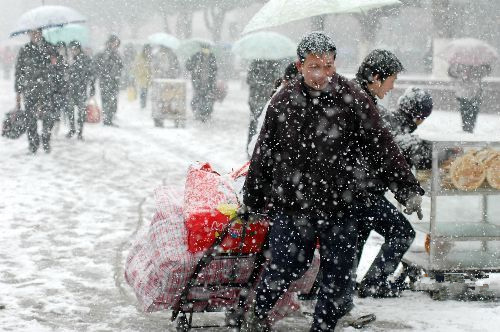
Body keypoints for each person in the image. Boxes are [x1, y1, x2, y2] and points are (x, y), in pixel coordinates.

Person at [240, 32, 424, 332]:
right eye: (314, 66)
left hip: (340, 204)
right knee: (286, 265)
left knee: (338, 275)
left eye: (328, 66)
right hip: (293, 204)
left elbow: (382, 146)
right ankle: (257, 315)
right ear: (299, 65)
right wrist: (253, 199)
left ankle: (322, 327)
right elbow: (264, 154)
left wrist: (406, 189)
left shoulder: (352, 99)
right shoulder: (283, 102)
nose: (322, 74)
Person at [352, 52, 433, 298]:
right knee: (402, 233)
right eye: (392, 80)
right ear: (376, 77)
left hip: (355, 190)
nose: (392, 87)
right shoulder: (363, 105)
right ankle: (371, 283)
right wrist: (408, 190)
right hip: (359, 191)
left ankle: (341, 286)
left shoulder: (363, 102)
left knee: (355, 238)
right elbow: (390, 156)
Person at [14, 29, 58, 154]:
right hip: (30, 90)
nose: (35, 35)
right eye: (32, 33)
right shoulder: (25, 50)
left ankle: (46, 140)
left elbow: (57, 67)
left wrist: (53, 56)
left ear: (41, 33)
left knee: (48, 118)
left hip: (47, 89)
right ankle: (33, 145)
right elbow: (19, 72)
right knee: (30, 119)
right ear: (29, 34)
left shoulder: (50, 48)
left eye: (37, 32)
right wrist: (18, 91)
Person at [246, 59, 280, 148]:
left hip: (259, 98)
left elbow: (248, 80)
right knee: (259, 123)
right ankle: (254, 147)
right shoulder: (273, 65)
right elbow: (276, 80)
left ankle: (253, 147)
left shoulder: (255, 64)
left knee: (256, 123)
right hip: (260, 98)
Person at [448, 63, 490, 133]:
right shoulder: (459, 66)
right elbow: (451, 73)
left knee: (473, 111)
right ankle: (466, 127)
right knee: (465, 111)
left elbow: (486, 72)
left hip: (475, 94)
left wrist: (484, 66)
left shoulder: (478, 67)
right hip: (464, 94)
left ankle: (470, 127)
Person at [66, 41, 94, 140]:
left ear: (78, 49)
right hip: (70, 90)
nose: (72, 51)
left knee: (81, 112)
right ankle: (72, 129)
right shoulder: (69, 59)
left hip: (81, 89)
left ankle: (80, 132)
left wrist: (92, 87)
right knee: (70, 111)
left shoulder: (85, 59)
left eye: (74, 49)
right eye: (71, 49)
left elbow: (91, 74)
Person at [94, 35, 123, 126]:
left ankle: (110, 116)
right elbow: (97, 65)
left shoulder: (116, 53)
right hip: (106, 80)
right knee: (107, 99)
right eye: (114, 42)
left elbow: (120, 65)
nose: (115, 44)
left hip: (114, 80)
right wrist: (104, 73)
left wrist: (117, 73)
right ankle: (107, 118)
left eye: (116, 43)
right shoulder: (104, 53)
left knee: (113, 100)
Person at [185, 47, 217, 122]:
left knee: (206, 98)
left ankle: (205, 113)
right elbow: (188, 66)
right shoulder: (196, 56)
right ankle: (200, 112)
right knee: (199, 97)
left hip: (207, 83)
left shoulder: (211, 57)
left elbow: (214, 69)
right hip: (198, 82)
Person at [133, 44, 153, 109]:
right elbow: (137, 67)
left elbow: (150, 68)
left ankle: (143, 105)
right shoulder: (140, 57)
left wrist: (149, 73)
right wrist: (142, 72)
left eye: (149, 50)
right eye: (147, 50)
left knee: (145, 91)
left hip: (147, 78)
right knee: (143, 92)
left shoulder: (149, 57)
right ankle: (142, 105)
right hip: (142, 78)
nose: (148, 51)